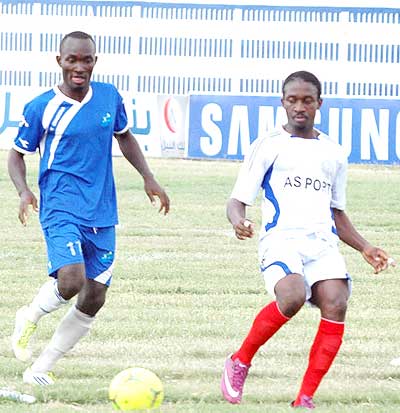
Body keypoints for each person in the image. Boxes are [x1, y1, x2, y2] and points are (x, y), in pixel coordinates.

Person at [220, 70, 395, 409]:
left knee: (336, 302)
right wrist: (239, 220)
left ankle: (304, 398)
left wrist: (365, 247)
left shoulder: (334, 152)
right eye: (292, 100)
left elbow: (337, 213)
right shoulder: (268, 144)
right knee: (292, 296)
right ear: (282, 102)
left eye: (307, 100)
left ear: (319, 103)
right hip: (281, 239)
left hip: (322, 243)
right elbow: (236, 200)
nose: (299, 107)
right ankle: (240, 360)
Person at [8, 31, 170, 386]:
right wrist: (23, 191)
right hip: (60, 205)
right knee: (71, 279)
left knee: (94, 296)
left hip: (102, 209)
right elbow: (16, 155)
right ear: (60, 62)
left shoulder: (109, 97)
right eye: (72, 60)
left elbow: (124, 136)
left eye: (86, 60)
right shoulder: (41, 107)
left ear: (94, 61)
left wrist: (148, 177)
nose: (79, 67)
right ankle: (29, 316)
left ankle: (40, 368)